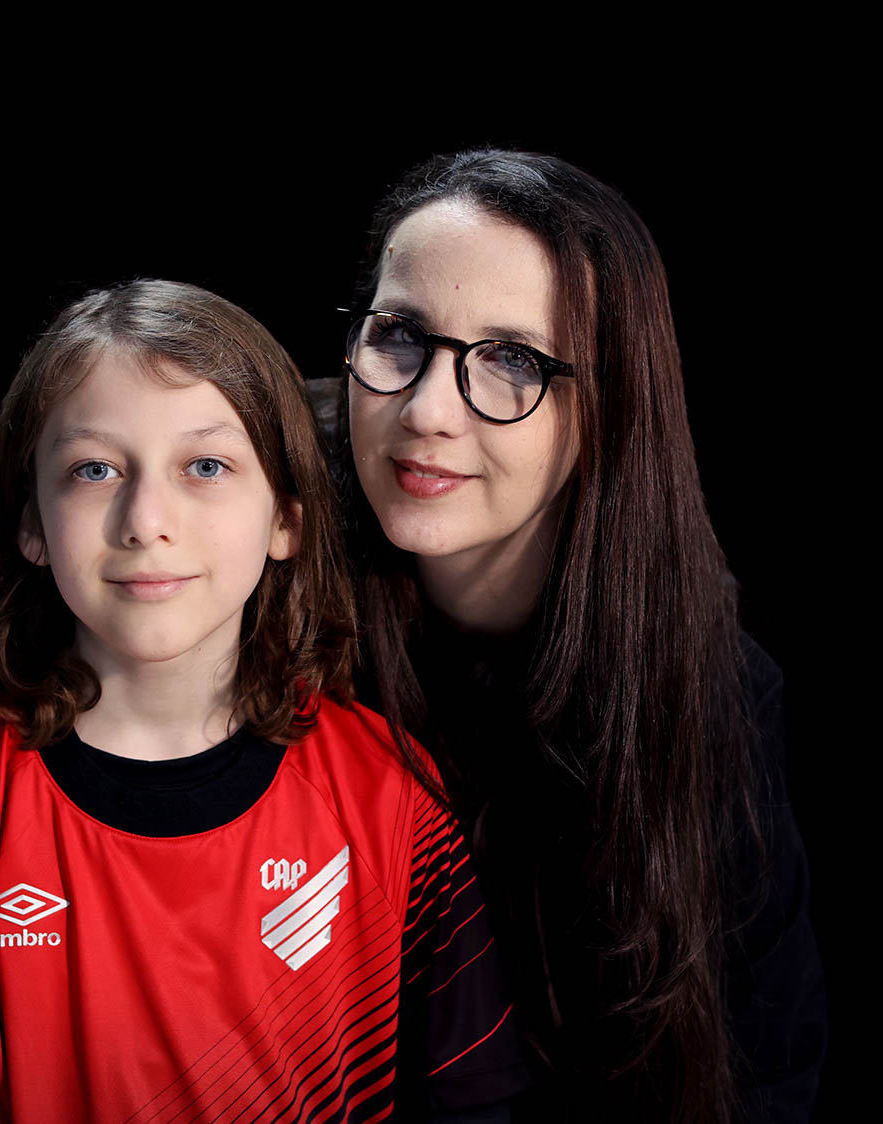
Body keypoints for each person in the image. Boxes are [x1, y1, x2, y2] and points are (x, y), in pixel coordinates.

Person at [0, 280, 528, 1123]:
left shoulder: (389, 794)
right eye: (94, 470)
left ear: (285, 519)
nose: (145, 520)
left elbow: (473, 1106)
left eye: (205, 467)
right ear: (31, 523)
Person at [322, 151, 827, 1122]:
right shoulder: (250, 554)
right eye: (400, 336)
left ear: (608, 404)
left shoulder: (703, 683)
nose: (425, 411)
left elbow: (763, 1064)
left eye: (512, 359)